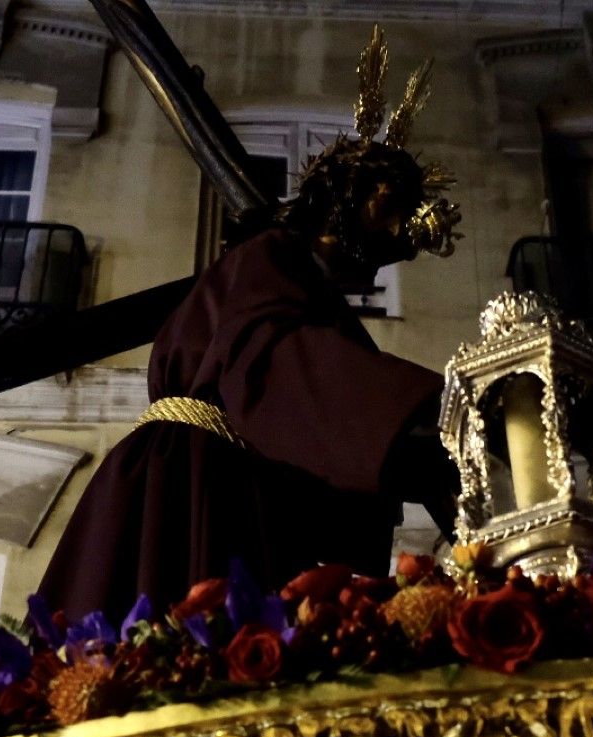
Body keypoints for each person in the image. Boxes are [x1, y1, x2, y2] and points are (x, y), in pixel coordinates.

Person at [35, 30, 463, 621]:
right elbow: (269, 360)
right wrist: (421, 417)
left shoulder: (301, 283)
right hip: (192, 482)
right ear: (344, 193)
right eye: (392, 208)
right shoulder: (271, 258)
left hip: (233, 477)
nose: (400, 236)